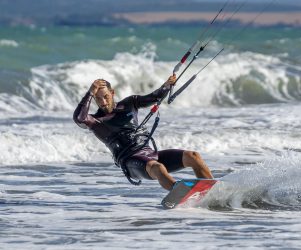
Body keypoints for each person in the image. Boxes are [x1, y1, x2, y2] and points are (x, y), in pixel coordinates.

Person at [73, 75, 213, 190]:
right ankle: (180, 193)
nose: (103, 102)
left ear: (112, 93)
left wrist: (166, 85)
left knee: (193, 156)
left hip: (149, 154)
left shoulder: (129, 103)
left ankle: (212, 190)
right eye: (97, 98)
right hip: (130, 161)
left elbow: (154, 97)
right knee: (158, 168)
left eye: (105, 97)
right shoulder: (95, 121)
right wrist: (90, 92)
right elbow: (79, 118)